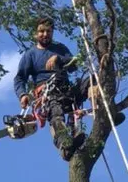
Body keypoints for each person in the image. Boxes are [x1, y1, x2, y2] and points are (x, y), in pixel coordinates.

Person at [13, 17, 89, 160]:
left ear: (52, 33)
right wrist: (22, 94)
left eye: (48, 31)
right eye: (41, 31)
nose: (45, 34)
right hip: (47, 92)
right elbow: (20, 78)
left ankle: (105, 111)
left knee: (91, 81)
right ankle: (65, 145)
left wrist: (58, 59)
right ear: (36, 34)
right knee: (55, 112)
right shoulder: (31, 54)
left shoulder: (60, 48)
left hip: (66, 89)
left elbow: (74, 65)